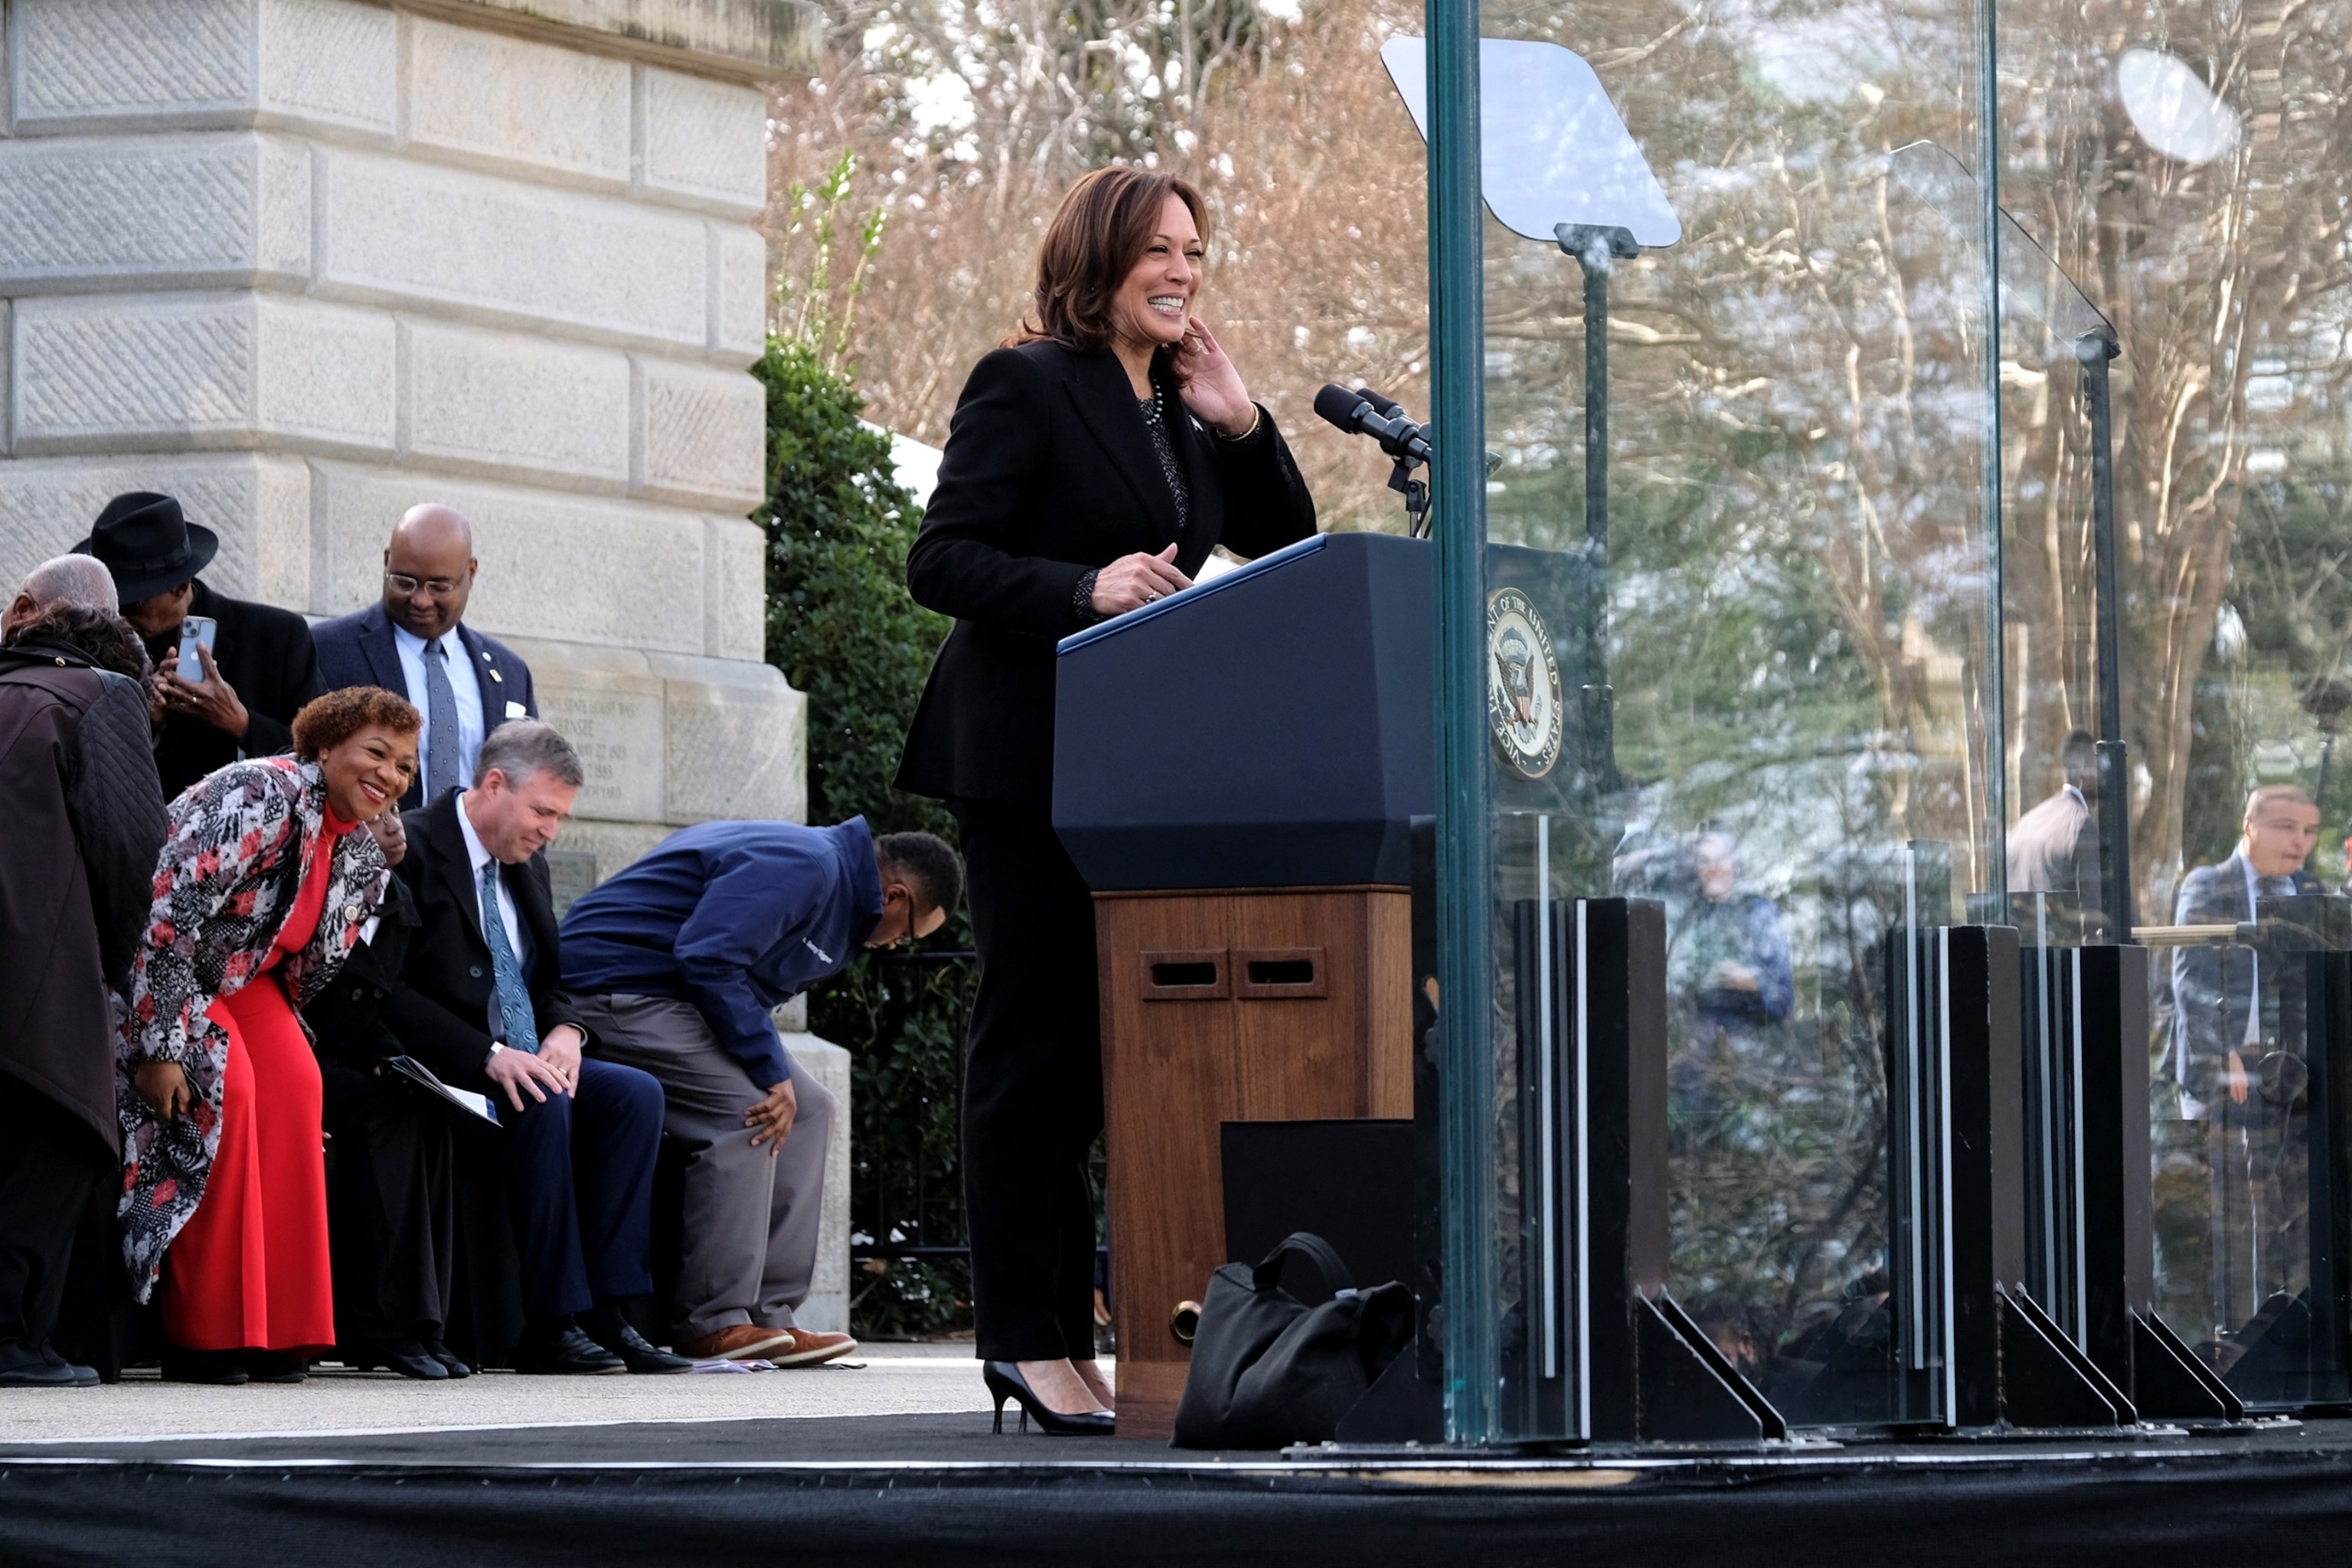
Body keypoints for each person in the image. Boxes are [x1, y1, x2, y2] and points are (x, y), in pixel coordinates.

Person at [895, 166, 1317, 1432]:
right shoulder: (1022, 382)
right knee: (1034, 1050)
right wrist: (1083, 588)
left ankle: (1073, 1322)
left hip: (1138, 758)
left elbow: (1288, 542)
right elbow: (941, 558)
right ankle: (1024, 1333)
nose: (1181, 272)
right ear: (1099, 260)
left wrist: (1244, 424)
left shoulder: (1182, 406)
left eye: (1193, 251)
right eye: (1157, 251)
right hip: (1026, 757)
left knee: (1101, 1055)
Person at [560, 820, 962, 1364]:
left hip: (676, 998)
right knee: (747, 1111)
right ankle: (711, 1320)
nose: (895, 944)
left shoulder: (834, 882)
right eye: (907, 933)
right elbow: (707, 957)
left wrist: (771, 1065)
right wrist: (768, 1072)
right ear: (896, 895)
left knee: (812, 1108)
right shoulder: (809, 866)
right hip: (615, 989)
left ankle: (770, 1314)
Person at [118, 688, 417, 1384]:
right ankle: (208, 1335)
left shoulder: (360, 849)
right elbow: (160, 918)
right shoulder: (259, 792)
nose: (390, 776)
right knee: (234, 1089)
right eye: (376, 753)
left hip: (245, 979)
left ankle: (283, 1330)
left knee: (296, 1087)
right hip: (162, 967)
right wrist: (161, 1048)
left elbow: (301, 963)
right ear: (324, 745)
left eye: (404, 767)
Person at [372, 720, 684, 1375]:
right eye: (543, 811)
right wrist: (488, 1053)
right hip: (444, 1065)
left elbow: (548, 982)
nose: (551, 831)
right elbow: (388, 990)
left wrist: (568, 1033)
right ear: (493, 785)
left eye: (559, 817)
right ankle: (551, 1323)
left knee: (634, 1094)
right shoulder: (416, 848)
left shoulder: (525, 862)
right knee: (543, 1098)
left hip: (519, 1055)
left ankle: (610, 1312)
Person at [0, 566, 167, 1387]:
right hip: (40, 963)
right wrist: (114, 958)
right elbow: (133, 844)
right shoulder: (104, 695)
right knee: (61, 1142)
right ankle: (11, 1339)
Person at [301, 811, 469, 1380]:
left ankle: (427, 1321)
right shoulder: (310, 878)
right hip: (294, 1055)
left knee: (429, 1104)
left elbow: (372, 1003)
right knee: (386, 1110)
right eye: (374, 814)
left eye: (397, 810)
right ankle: (385, 1322)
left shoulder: (395, 898)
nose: (393, 824)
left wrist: (392, 1059)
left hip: (344, 1058)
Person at [2168, 783, 2324, 1344]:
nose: (2300, 841)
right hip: (2225, 1076)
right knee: (2228, 1211)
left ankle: (2285, 1325)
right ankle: (2227, 1335)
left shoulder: (2308, 891)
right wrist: (2224, 1055)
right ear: (2250, 826)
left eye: (2309, 831)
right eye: (2287, 827)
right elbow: (2190, 977)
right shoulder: (2210, 885)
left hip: (2286, 1079)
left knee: (2287, 1204)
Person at [74, 492, 324, 802]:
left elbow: (322, 756)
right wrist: (148, 723)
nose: (118, 614)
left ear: (180, 587)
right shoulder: (95, 644)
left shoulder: (277, 637)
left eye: (132, 602)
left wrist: (241, 722)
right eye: (111, 600)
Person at [312, 504, 538, 809]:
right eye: (404, 582)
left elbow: (528, 783)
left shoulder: (510, 673)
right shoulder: (327, 649)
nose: (421, 599)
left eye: (439, 586)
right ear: (386, 561)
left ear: (471, 573)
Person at [2008, 729, 2105, 930]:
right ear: (2082, 768)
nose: (2103, 774)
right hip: (2064, 956)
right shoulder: (2081, 826)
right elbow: (2090, 917)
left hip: (2017, 955)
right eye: (2098, 765)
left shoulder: (2024, 824)